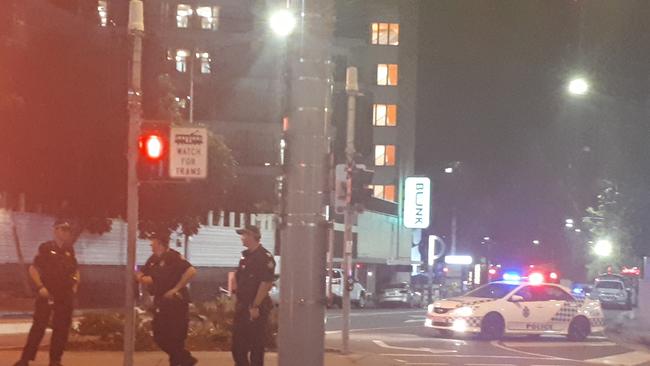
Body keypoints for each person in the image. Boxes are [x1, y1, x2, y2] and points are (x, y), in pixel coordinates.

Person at [14, 220, 79, 366]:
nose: (66, 232)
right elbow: (33, 269)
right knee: (39, 326)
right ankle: (25, 359)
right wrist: (40, 287)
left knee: (61, 328)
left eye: (68, 230)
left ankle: (55, 360)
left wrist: (74, 285)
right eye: (62, 229)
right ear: (55, 230)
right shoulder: (46, 248)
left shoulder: (69, 250)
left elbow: (75, 270)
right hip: (48, 293)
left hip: (65, 295)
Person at [136, 235, 198, 366]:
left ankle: (180, 361)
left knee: (176, 337)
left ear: (160, 244)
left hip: (176, 302)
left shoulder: (173, 257)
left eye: (153, 243)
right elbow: (142, 272)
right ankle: (186, 359)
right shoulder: (153, 259)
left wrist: (176, 289)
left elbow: (191, 271)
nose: (151, 246)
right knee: (159, 335)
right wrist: (141, 277)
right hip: (161, 302)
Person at [231, 225, 276, 366]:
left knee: (256, 345)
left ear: (252, 236)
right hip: (243, 305)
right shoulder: (245, 256)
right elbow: (239, 278)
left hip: (256, 307)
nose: (242, 238)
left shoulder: (264, 257)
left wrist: (255, 305)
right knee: (238, 346)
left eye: (244, 235)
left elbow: (266, 282)